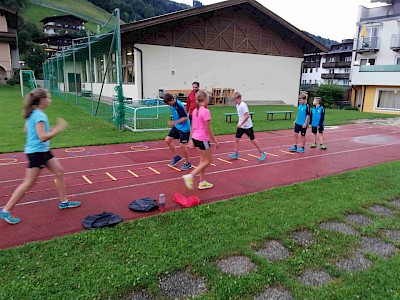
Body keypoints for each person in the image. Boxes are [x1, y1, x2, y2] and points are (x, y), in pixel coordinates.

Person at [0, 88, 81, 225]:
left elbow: (26, 129)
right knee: (28, 183)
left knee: (59, 172)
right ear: (42, 100)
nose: (50, 101)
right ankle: (6, 210)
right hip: (37, 153)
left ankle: (64, 202)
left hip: (43, 151)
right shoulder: (39, 116)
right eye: (48, 98)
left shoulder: (33, 113)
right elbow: (43, 137)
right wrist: (57, 129)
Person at [182, 90, 219, 190]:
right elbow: (208, 129)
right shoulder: (206, 111)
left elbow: (193, 126)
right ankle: (190, 176)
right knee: (208, 161)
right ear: (206, 99)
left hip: (195, 138)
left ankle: (202, 182)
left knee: (202, 160)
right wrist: (215, 141)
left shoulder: (195, 111)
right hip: (203, 140)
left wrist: (190, 139)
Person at [228, 92, 266, 161]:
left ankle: (262, 152)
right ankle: (236, 154)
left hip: (247, 126)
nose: (234, 101)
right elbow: (241, 116)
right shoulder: (237, 105)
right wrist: (239, 124)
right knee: (236, 139)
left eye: (235, 100)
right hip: (241, 126)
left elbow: (247, 115)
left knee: (253, 139)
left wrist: (241, 123)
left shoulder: (243, 105)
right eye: (234, 100)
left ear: (239, 98)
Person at [163, 93, 192, 170]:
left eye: (169, 103)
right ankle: (177, 156)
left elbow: (185, 117)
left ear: (172, 100)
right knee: (167, 140)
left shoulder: (179, 106)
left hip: (184, 128)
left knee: (182, 146)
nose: (169, 105)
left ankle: (188, 162)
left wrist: (174, 122)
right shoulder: (172, 104)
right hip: (177, 126)